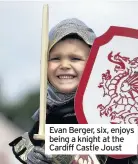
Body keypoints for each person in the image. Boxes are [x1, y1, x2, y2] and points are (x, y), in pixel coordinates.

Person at [9, 18, 138, 164]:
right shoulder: (46, 120)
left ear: (94, 62)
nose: (64, 65)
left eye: (75, 58)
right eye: (56, 58)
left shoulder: (114, 115)